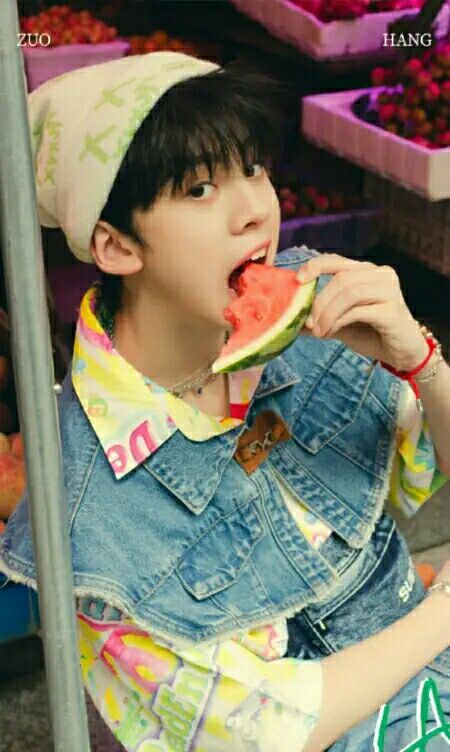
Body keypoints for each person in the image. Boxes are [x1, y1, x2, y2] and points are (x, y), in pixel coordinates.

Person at [0, 51, 449, 752]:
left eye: (254, 168)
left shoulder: (314, 305)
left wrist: (422, 363)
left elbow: (431, 467)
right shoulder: (86, 521)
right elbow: (270, 730)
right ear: (115, 246)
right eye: (201, 188)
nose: (256, 211)